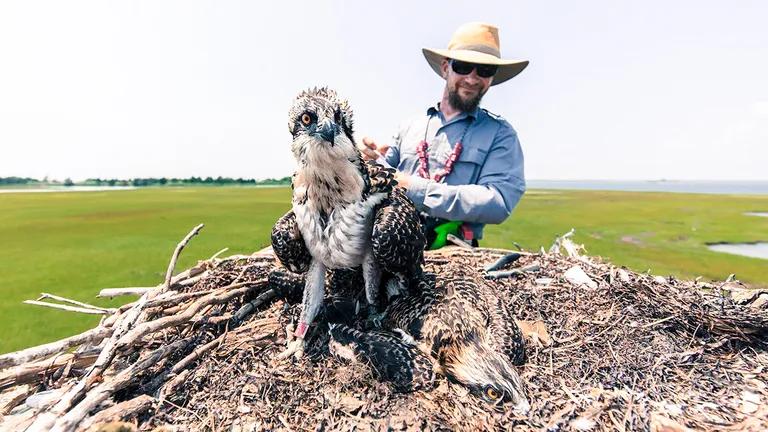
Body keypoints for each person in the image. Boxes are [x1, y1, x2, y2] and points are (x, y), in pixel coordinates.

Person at [359, 22, 529, 249]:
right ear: (445, 67)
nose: (472, 78)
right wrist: (368, 164)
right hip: (392, 245)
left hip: (455, 253)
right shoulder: (409, 126)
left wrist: (415, 188)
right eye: (464, 66)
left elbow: (498, 202)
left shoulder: (501, 135)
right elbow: (379, 183)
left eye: (485, 71)